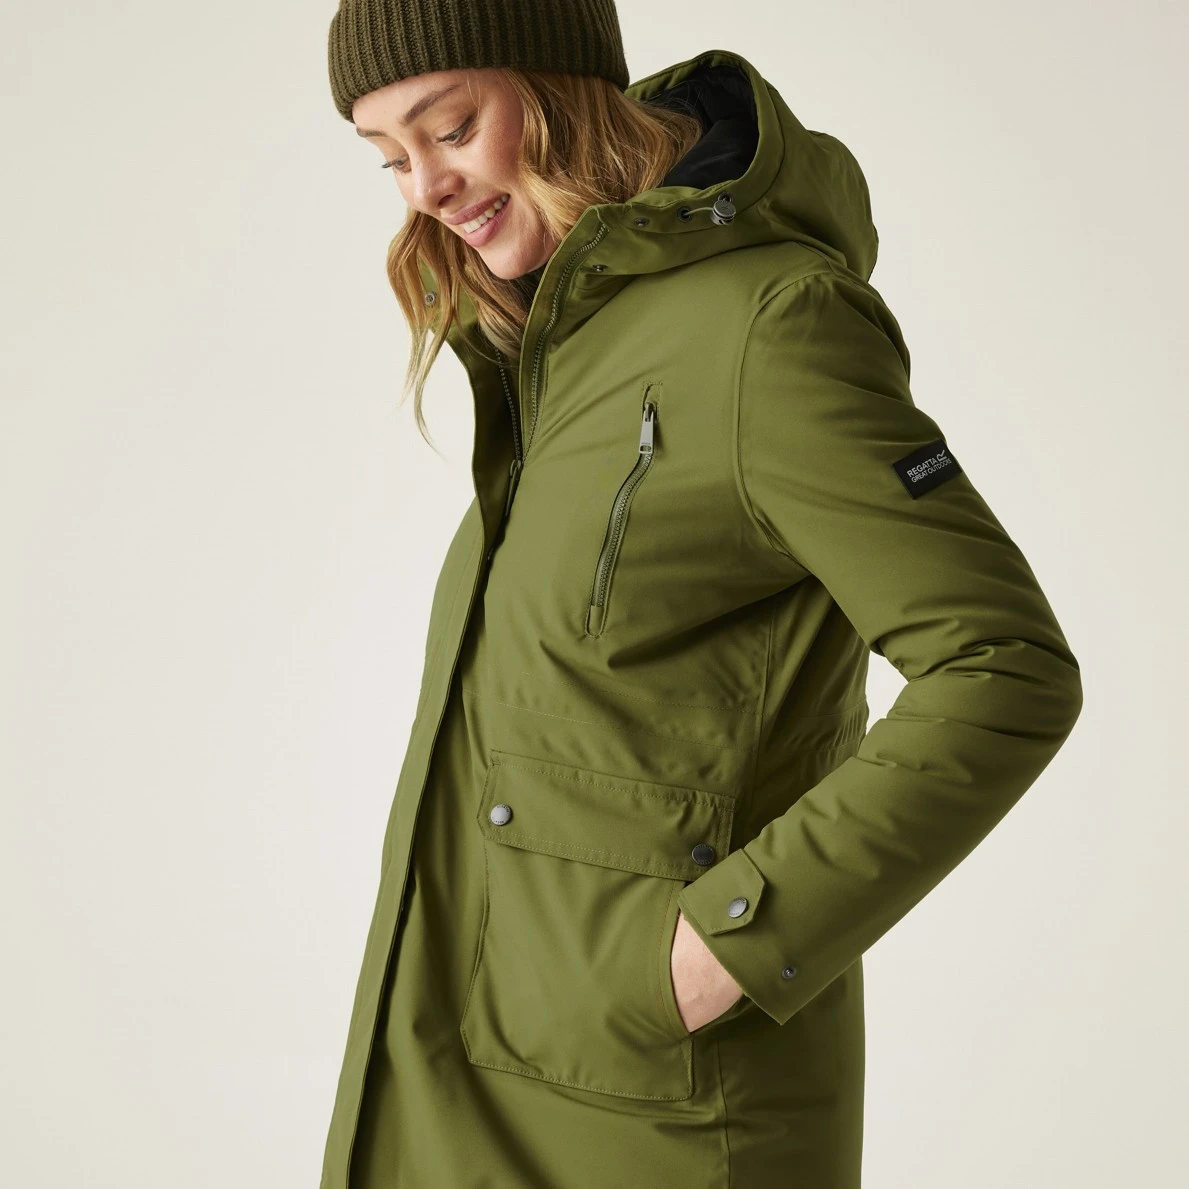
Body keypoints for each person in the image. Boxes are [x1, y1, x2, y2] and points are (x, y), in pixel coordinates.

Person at [319, 3, 1084, 1187]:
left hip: (659, 1110)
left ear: (558, 81)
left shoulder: (770, 325)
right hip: (472, 1057)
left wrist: (727, 940)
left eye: (451, 128)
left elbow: (1001, 667)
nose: (424, 187)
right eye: (388, 158)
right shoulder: (562, 342)